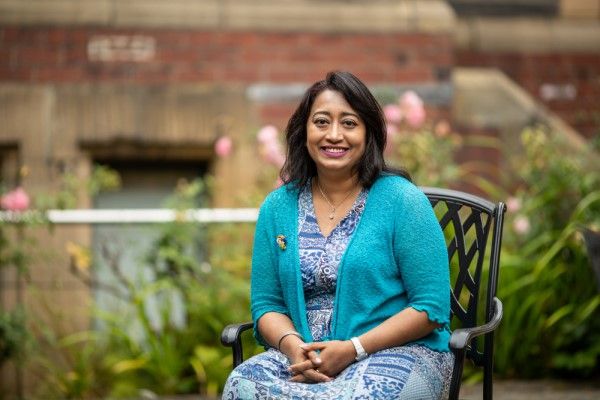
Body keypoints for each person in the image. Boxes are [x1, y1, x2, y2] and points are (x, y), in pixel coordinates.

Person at [222, 71, 453, 399]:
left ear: (368, 133)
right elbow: (267, 305)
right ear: (304, 131)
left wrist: (352, 349)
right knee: (242, 385)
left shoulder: (402, 200)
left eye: (348, 123)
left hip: (396, 351)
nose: (334, 135)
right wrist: (294, 348)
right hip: (303, 357)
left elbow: (430, 306)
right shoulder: (278, 207)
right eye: (321, 122)